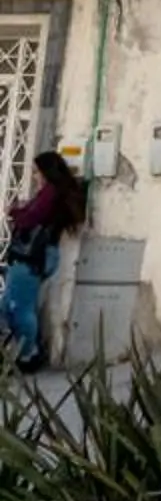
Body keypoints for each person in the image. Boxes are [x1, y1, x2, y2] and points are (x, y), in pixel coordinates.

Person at [4, 150, 86, 374]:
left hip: (32, 256)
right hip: (36, 256)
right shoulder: (52, 193)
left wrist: (13, 212)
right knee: (8, 306)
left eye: (36, 171)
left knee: (20, 309)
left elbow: (32, 218)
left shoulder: (50, 193)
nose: (34, 176)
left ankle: (29, 354)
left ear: (46, 172)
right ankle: (21, 350)